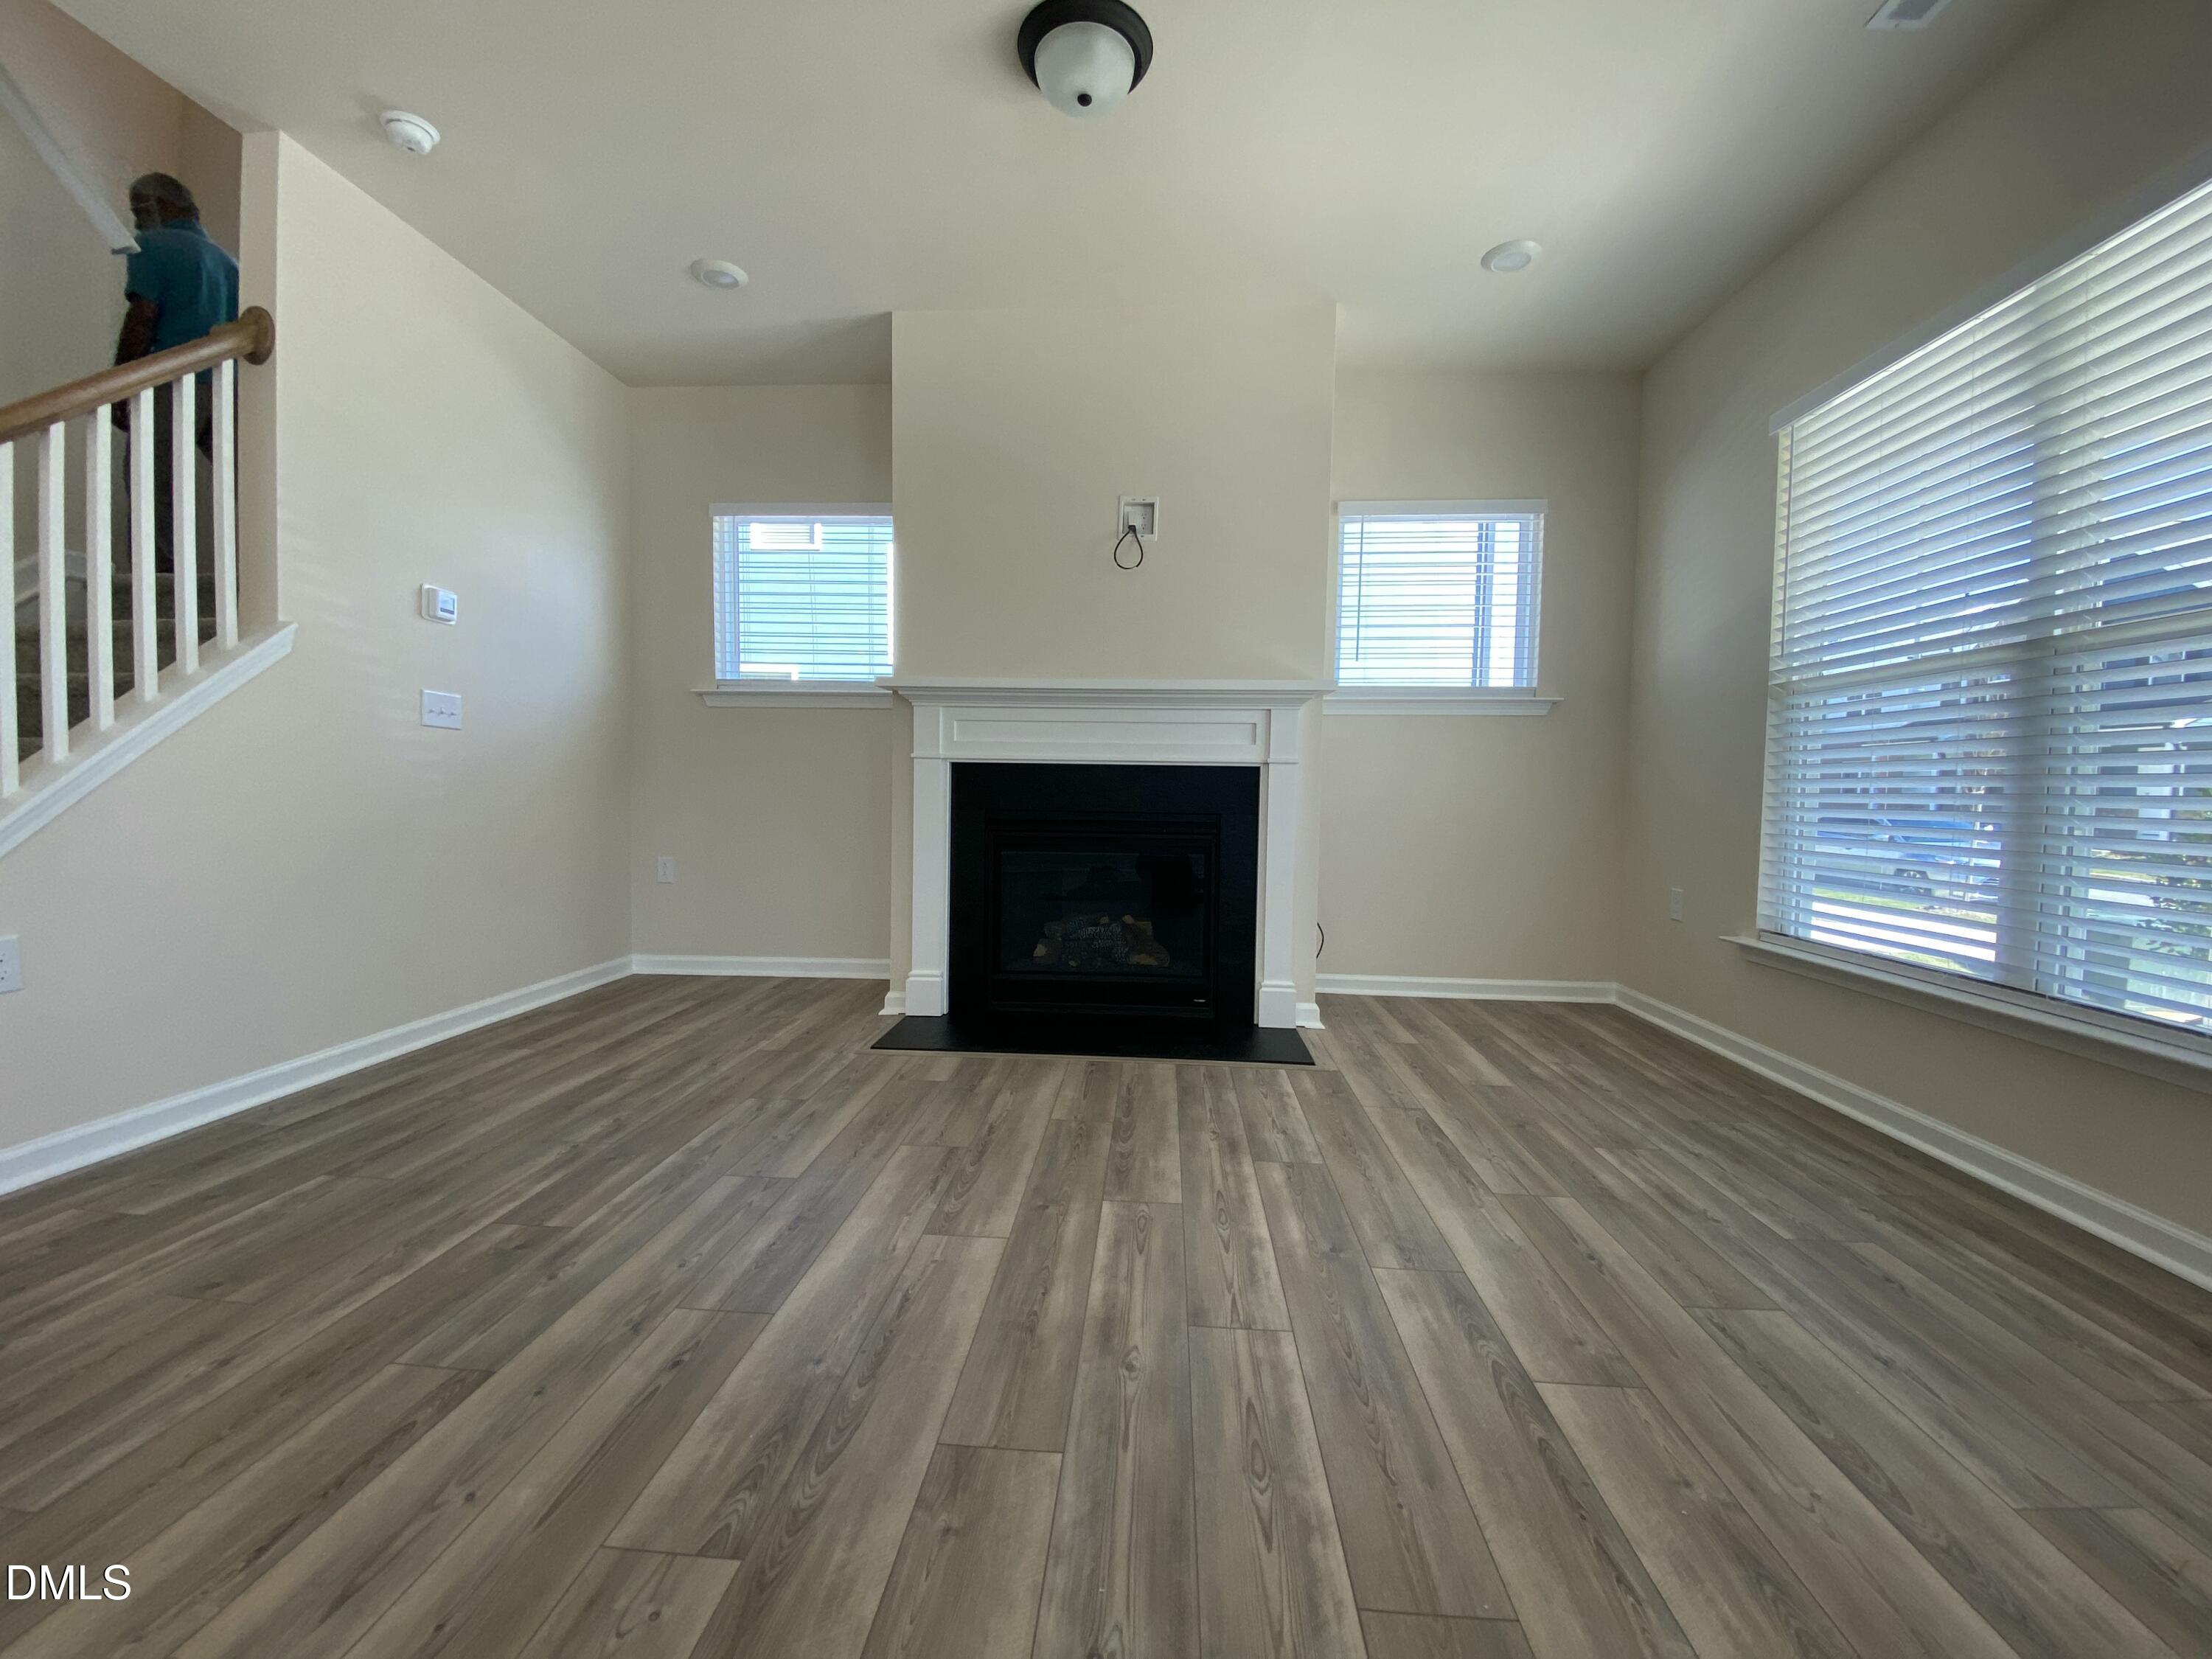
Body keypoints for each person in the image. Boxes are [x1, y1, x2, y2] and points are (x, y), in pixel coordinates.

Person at [113, 173, 237, 572]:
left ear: (167, 206)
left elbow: (142, 317)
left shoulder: (151, 245)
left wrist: (121, 386)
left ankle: (157, 576)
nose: (137, 222)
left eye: (141, 210)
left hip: (170, 381)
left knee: (151, 483)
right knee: (239, 479)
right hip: (221, 387)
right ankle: (254, 568)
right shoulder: (227, 262)